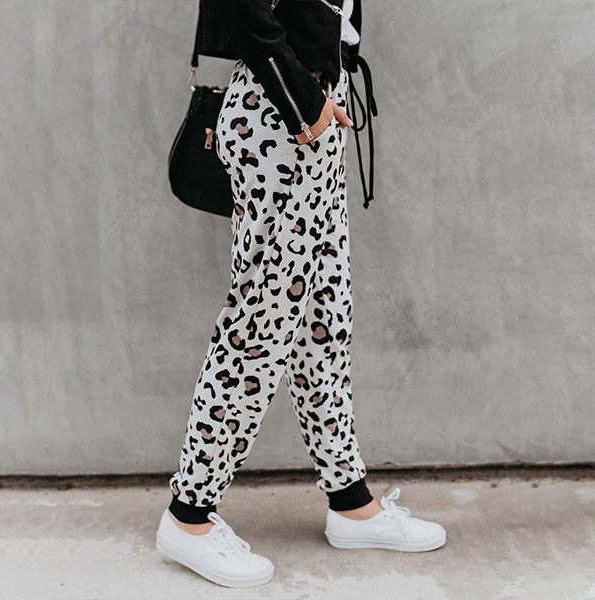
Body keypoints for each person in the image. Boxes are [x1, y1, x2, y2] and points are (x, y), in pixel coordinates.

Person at [156, 0, 446, 588]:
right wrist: (302, 100)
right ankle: (188, 515)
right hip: (277, 119)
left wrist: (324, 88)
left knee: (324, 318)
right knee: (261, 324)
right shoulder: (290, 103)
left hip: (313, 113)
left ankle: (351, 502)